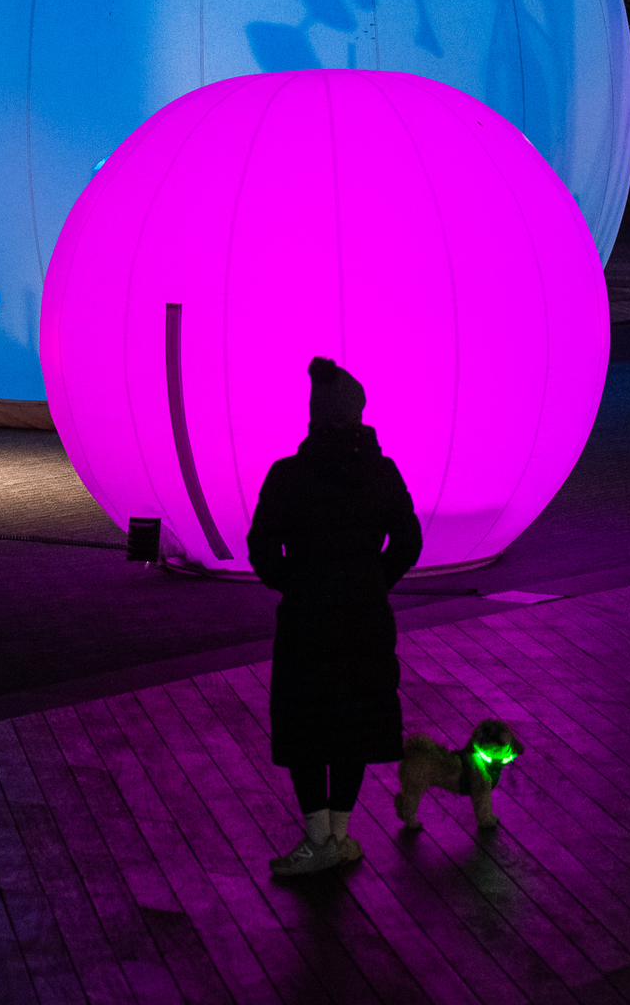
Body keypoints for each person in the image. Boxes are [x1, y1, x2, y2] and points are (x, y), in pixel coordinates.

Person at [248, 358, 424, 879]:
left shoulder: (287, 475)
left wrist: (295, 583)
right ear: (359, 415)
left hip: (306, 620)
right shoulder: (382, 472)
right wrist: (374, 580)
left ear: (313, 416)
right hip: (366, 619)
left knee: (307, 724)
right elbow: (409, 542)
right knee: (354, 723)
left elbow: (261, 548)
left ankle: (317, 837)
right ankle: (341, 836)